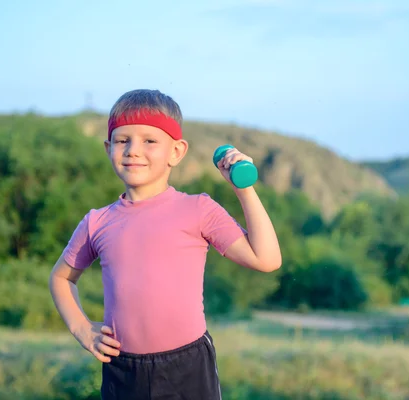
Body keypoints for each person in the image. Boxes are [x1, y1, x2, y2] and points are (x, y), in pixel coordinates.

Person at [48, 89, 282, 399]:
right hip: (122, 367)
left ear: (176, 151)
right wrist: (81, 328)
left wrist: (244, 189)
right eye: (122, 140)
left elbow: (265, 259)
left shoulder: (198, 209)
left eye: (149, 141)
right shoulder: (97, 222)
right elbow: (61, 278)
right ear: (108, 148)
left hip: (187, 365)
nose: (133, 150)